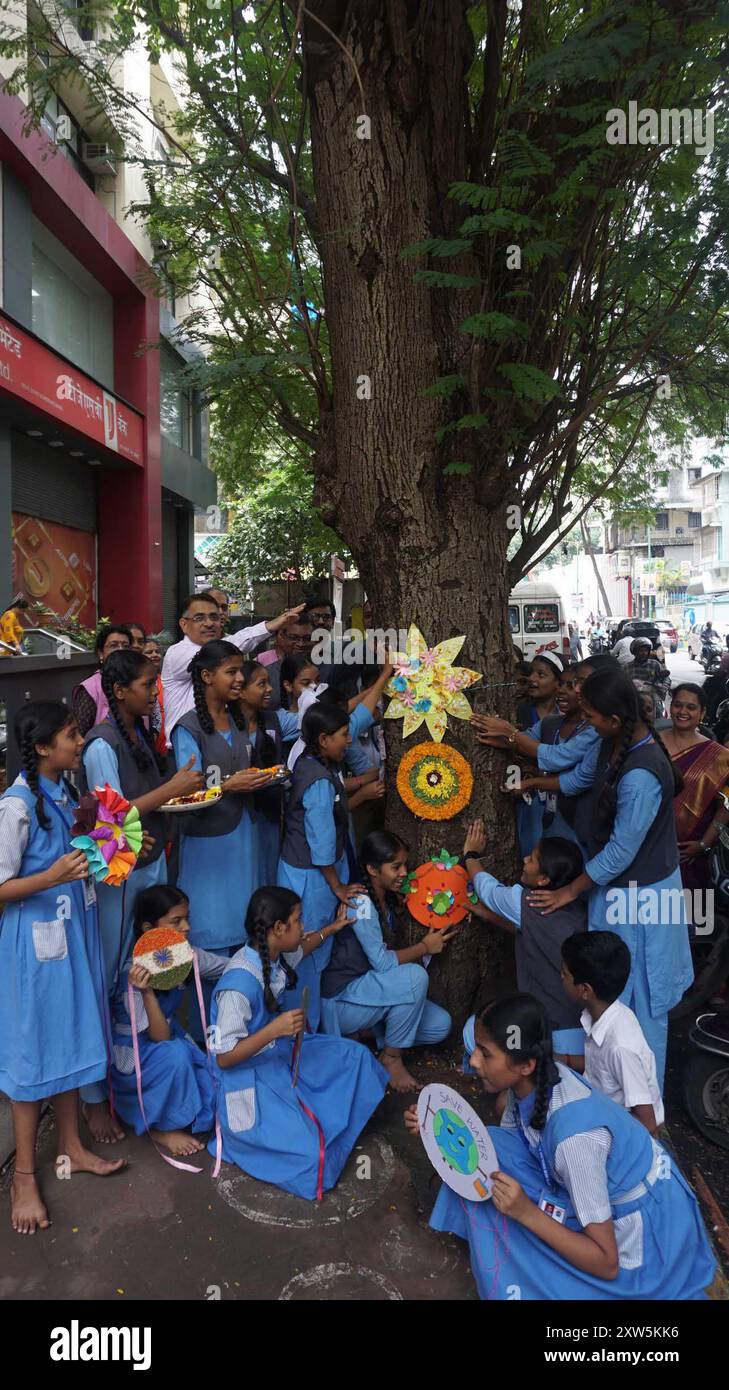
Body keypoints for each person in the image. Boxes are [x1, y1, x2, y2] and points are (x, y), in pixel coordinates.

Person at [404, 994, 715, 1301]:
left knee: (520, 1238)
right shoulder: (533, 1083)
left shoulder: (574, 1142)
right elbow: (508, 1144)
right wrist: (436, 1128)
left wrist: (527, 1213)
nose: (472, 1062)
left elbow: (606, 1263)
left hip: (648, 1236)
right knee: (487, 1147)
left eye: (485, 1054)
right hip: (599, 1187)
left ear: (525, 1064)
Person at [524, 667, 693, 1088]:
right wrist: (532, 782)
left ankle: (644, 1104)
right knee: (609, 995)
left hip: (643, 899)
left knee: (640, 1003)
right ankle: (606, 1087)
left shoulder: (640, 773)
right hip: (617, 893)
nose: (588, 723)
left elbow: (620, 852)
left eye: (593, 716)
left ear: (615, 719)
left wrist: (568, 892)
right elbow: (579, 780)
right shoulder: (610, 743)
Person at [0, 702, 124, 1234]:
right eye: (72, 736)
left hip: (71, 936)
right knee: (33, 1053)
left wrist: (105, 853)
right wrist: (51, 876)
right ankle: (24, 1174)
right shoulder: (17, 806)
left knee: (70, 1038)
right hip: (34, 947)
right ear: (44, 747)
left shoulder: (66, 792)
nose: (81, 743)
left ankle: (71, 1147)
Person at [81, 649, 203, 1143]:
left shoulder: (137, 735)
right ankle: (96, 1097)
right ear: (118, 690)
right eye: (147, 683)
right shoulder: (100, 746)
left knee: (149, 965)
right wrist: (171, 788)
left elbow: (131, 815)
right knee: (109, 974)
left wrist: (161, 811)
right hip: (117, 879)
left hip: (144, 866)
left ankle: (152, 1070)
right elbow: (108, 819)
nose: (155, 691)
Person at [208, 887, 388, 1199]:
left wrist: (332, 928)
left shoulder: (272, 952)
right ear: (278, 928)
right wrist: (274, 1030)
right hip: (248, 1076)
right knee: (310, 1157)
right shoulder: (237, 986)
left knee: (357, 1057)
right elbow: (224, 1058)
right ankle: (309, 1128)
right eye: (298, 919)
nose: (303, 925)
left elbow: (303, 947)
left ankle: (317, 1119)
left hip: (277, 1053)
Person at [171, 644, 280, 983]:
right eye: (230, 672)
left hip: (244, 838)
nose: (238, 679)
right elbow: (184, 795)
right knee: (211, 930)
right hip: (209, 846)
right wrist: (230, 786)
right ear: (206, 677)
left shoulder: (236, 719)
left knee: (243, 927)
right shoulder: (187, 729)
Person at [320, 831, 453, 1090]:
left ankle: (367, 1034)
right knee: (415, 978)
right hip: (344, 999)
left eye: (405, 865)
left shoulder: (388, 898)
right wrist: (425, 946)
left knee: (440, 1025)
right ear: (372, 869)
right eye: (396, 867)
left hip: (372, 994)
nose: (404, 872)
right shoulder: (360, 903)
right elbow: (382, 964)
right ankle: (391, 1058)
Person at [110, 885, 224, 1157]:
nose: (186, 927)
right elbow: (158, 1038)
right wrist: (147, 991)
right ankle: (158, 1129)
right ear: (149, 928)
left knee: (214, 1083)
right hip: (136, 1057)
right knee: (176, 1054)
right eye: (176, 921)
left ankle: (174, 1111)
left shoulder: (183, 955)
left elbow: (225, 966)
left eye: (187, 918)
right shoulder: (133, 974)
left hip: (167, 1045)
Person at [462, 820, 586, 1065]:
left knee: (471, 1030)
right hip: (580, 1031)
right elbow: (536, 932)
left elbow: (487, 889)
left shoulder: (528, 902)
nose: (525, 859)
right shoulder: (579, 906)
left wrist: (471, 854)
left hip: (545, 1030)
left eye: (532, 859)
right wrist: (489, 916)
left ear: (542, 879)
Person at [277, 703, 363, 1030]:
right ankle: (305, 1034)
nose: (350, 740)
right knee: (308, 957)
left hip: (297, 872)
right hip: (311, 880)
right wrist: (336, 886)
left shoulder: (308, 762)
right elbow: (322, 843)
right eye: (343, 735)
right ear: (324, 739)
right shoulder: (319, 781)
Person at [473, 661, 596, 848]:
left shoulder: (594, 731)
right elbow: (523, 741)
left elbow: (558, 758)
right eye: (561, 684)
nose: (562, 691)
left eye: (571, 686)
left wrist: (509, 733)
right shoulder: (551, 723)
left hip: (580, 819)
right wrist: (501, 738)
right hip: (551, 816)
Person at [161, 591, 305, 738]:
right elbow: (218, 652)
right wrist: (269, 626)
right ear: (184, 624)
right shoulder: (176, 654)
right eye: (199, 618)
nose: (209, 623)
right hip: (184, 750)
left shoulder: (230, 644)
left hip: (223, 743)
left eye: (214, 617)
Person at [560, 931, 663, 1133]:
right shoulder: (607, 1015)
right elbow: (601, 1065)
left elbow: (648, 1123)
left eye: (564, 974)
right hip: (601, 1107)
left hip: (625, 1132)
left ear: (585, 990)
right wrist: (563, 1060)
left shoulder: (620, 1046)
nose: (560, 977)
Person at [661, 683, 729, 890]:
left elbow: (726, 806)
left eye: (691, 707)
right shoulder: (652, 744)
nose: (683, 712)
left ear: (703, 712)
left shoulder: (719, 757)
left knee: (693, 915)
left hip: (688, 854)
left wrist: (704, 844)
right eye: (678, 705)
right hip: (647, 845)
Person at [71, 623, 132, 736]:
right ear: (100, 653)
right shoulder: (89, 688)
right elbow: (79, 735)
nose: (120, 650)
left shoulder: (136, 681)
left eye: (125, 646)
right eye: (113, 645)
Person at [257, 613, 314, 709]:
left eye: (306, 638)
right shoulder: (263, 664)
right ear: (280, 635)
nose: (301, 644)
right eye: (294, 638)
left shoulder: (316, 665)